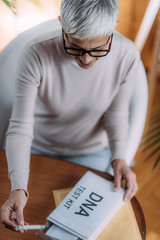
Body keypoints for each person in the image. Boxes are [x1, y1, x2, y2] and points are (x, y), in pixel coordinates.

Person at [1, 0, 139, 233]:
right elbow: (20, 127)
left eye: (97, 49)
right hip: (38, 148)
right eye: (75, 47)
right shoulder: (36, 53)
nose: (86, 59)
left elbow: (116, 113)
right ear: (61, 24)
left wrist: (119, 157)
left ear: (114, 26)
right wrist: (18, 188)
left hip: (92, 152)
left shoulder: (127, 55)